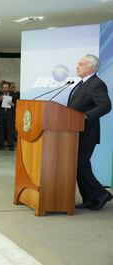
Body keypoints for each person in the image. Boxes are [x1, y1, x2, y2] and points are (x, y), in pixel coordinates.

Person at [67, 54, 112, 210]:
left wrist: (85, 117)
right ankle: (89, 199)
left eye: (81, 63)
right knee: (79, 166)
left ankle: (101, 194)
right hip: (74, 132)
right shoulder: (80, 84)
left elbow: (105, 105)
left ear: (92, 68)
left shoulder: (97, 84)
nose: (77, 66)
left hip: (87, 132)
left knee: (80, 165)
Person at [0, 81, 16, 150]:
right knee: (1, 130)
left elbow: (18, 104)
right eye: (4, 87)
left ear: (9, 88)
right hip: (2, 115)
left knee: (10, 130)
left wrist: (13, 104)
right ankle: (0, 145)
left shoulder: (13, 94)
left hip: (10, 115)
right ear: (2, 88)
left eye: (7, 87)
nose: (5, 89)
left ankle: (10, 145)